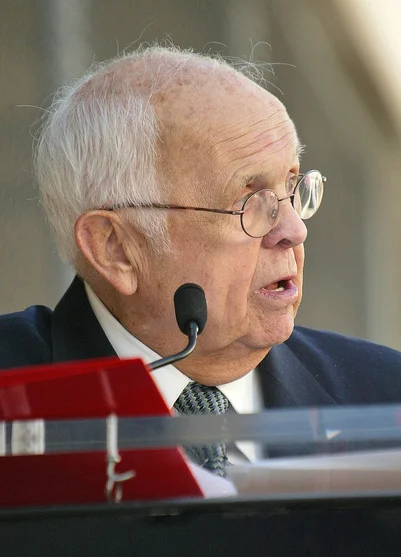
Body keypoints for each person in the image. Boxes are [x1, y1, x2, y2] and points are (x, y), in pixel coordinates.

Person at [1, 44, 401, 423]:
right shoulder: (12, 396)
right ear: (115, 249)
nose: (293, 230)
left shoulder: (383, 396)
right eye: (249, 202)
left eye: (293, 188)